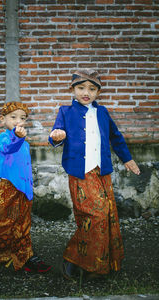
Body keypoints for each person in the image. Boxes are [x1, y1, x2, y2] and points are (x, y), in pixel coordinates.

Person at [48, 69, 140, 280]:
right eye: (81, 88)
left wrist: (127, 159)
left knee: (106, 216)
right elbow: (56, 135)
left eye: (91, 88)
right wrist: (56, 136)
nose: (86, 92)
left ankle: (96, 264)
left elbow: (116, 137)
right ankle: (72, 258)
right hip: (80, 174)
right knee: (94, 216)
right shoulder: (65, 111)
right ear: (72, 89)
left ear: (98, 92)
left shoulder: (103, 113)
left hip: (102, 172)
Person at [0, 101, 51, 279]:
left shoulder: (24, 142)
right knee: (3, 224)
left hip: (24, 189)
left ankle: (25, 257)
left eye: (22, 118)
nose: (18, 121)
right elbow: (8, 148)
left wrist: (29, 188)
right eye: (13, 117)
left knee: (23, 224)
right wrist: (18, 138)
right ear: (2, 119)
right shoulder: (4, 137)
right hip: (9, 188)